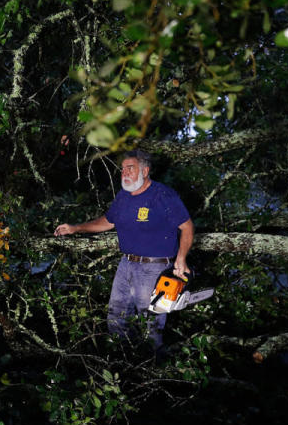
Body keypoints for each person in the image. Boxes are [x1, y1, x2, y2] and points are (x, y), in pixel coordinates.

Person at [53, 150, 194, 350]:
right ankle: (123, 362)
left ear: (145, 171)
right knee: (116, 319)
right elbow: (108, 222)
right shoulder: (123, 197)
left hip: (154, 269)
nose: (124, 173)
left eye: (130, 168)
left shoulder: (163, 195)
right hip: (126, 265)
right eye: (122, 170)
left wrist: (181, 259)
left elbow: (187, 226)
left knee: (151, 326)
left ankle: (151, 372)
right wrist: (76, 228)